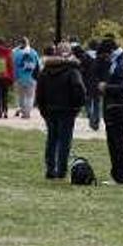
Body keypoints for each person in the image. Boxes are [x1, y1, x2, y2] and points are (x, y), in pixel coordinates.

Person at [36, 43, 86, 179]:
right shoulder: (72, 70)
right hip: (67, 110)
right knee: (64, 141)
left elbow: (39, 92)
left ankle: (50, 168)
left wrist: (42, 109)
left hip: (50, 110)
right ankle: (61, 170)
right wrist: (78, 106)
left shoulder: (46, 70)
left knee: (52, 139)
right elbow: (79, 89)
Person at [99, 38, 123, 184]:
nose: (105, 59)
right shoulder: (120, 61)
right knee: (117, 143)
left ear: (110, 52)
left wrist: (106, 88)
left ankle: (122, 176)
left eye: (105, 55)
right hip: (119, 107)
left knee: (117, 143)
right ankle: (122, 175)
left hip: (119, 108)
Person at [13, 37, 40, 119]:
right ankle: (27, 112)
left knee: (20, 96)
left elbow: (13, 64)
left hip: (19, 77)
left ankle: (22, 109)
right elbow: (38, 65)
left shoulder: (16, 53)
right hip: (31, 77)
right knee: (30, 96)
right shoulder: (34, 52)